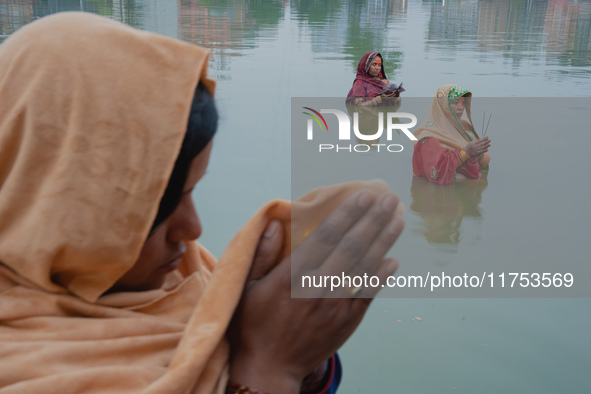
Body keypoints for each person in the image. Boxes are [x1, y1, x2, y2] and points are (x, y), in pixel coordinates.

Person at [0, 12, 405, 394]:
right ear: (50, 198)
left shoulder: (188, 278)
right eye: (154, 205)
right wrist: (269, 366)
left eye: (192, 192)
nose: (193, 230)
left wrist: (303, 351)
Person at [412, 85, 491, 185]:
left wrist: (479, 152)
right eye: (455, 103)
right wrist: (466, 152)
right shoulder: (429, 136)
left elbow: (482, 161)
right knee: (460, 178)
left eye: (463, 103)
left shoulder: (464, 127)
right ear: (443, 106)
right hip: (445, 193)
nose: (461, 108)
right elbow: (436, 172)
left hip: (473, 183)